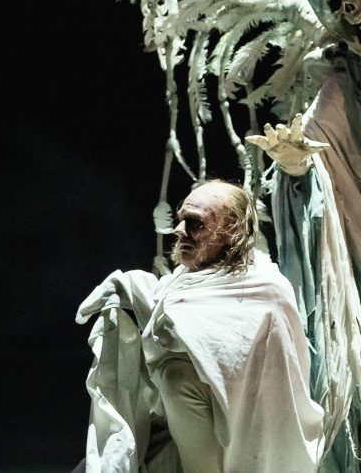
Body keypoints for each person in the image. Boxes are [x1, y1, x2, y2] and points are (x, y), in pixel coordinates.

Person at [75, 180, 324, 473]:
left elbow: (184, 334)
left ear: (231, 231)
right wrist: (131, 285)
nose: (179, 231)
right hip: (180, 429)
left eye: (194, 223)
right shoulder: (189, 278)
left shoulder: (264, 289)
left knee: (177, 376)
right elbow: (177, 314)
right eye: (181, 219)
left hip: (246, 439)